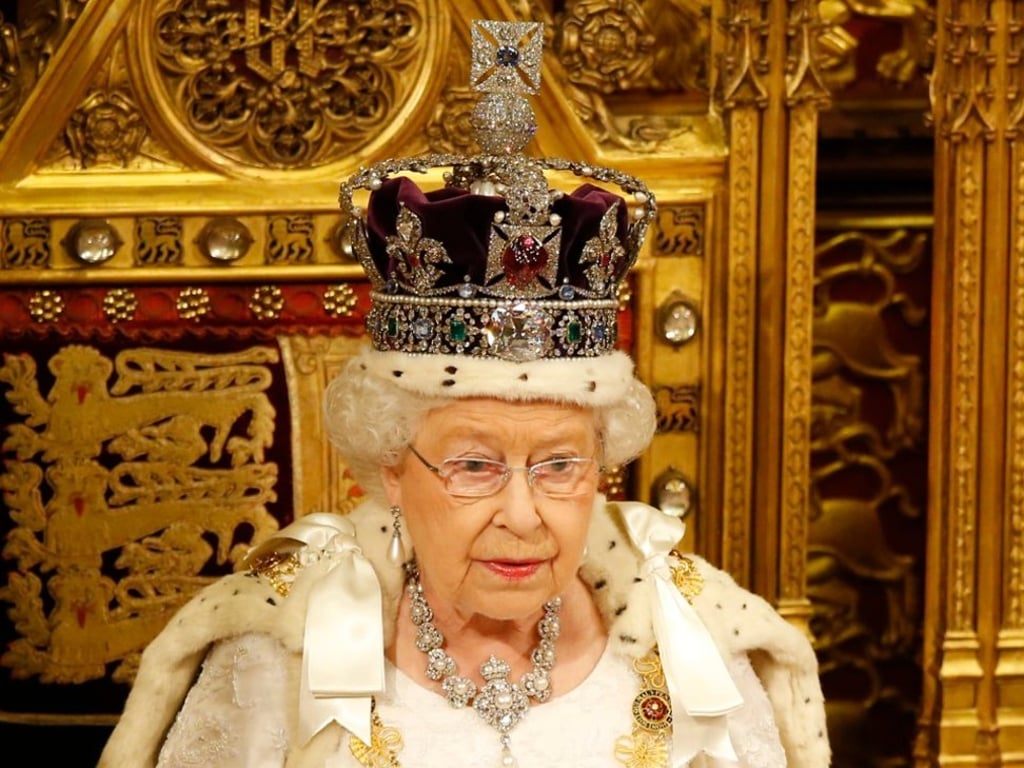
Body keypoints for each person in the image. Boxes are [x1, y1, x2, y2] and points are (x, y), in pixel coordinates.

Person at [99, 19, 829, 768]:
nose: (523, 515)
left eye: (558, 465)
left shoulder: (692, 642)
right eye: (474, 466)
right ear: (390, 467)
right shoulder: (277, 654)